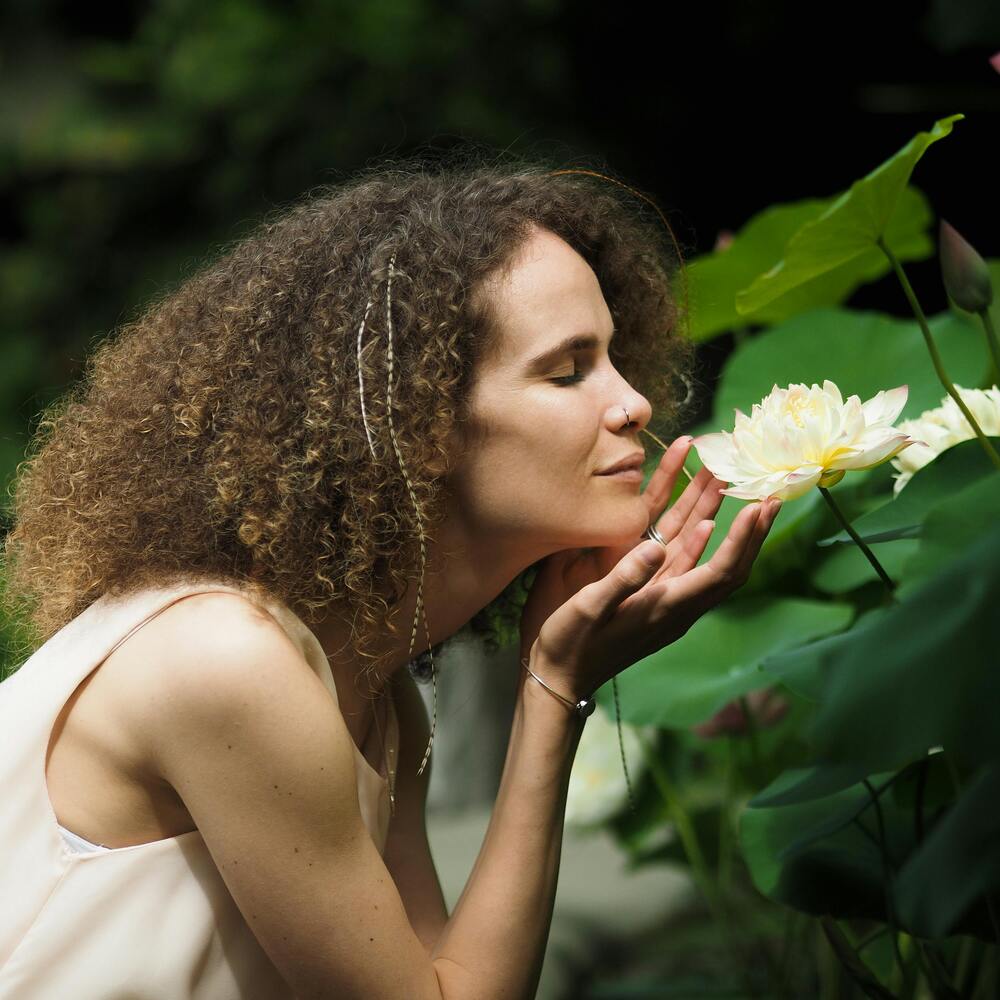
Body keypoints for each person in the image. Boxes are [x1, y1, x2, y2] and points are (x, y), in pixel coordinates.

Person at [0, 153, 781, 999]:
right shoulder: (225, 660)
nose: (632, 402)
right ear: (421, 426)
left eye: (616, 359)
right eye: (568, 371)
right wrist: (555, 689)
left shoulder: (378, 698)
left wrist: (554, 683)